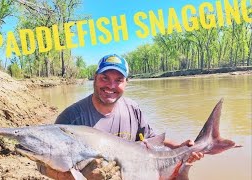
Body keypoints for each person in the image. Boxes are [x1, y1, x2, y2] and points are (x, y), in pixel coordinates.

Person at [38, 54, 204, 179]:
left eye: (118, 80)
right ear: (95, 78)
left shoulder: (133, 109)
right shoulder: (71, 118)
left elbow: (151, 140)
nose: (111, 86)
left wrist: (180, 148)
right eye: (104, 78)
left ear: (126, 83)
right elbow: (44, 166)